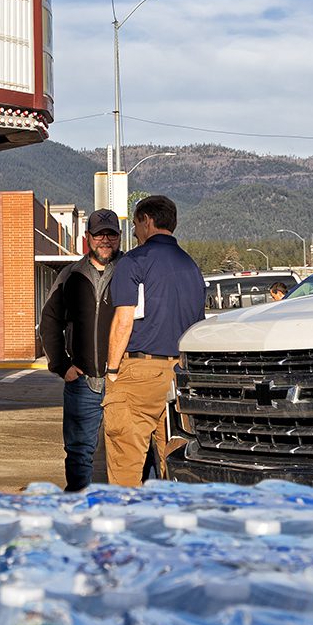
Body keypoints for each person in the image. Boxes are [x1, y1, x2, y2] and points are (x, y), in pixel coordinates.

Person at [103, 195, 206, 487]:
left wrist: (112, 371)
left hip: (139, 373)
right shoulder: (191, 267)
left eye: (136, 225)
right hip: (180, 375)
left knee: (125, 463)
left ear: (147, 221)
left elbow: (124, 320)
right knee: (174, 465)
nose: (135, 233)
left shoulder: (135, 261)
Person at [38, 208, 123, 490]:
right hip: (83, 382)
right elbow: (49, 321)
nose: (105, 240)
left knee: (130, 451)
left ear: (119, 237)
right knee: (78, 453)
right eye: (99, 234)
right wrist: (62, 366)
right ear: (87, 237)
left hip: (123, 381)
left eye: (111, 234)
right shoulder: (70, 275)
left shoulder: (130, 272)